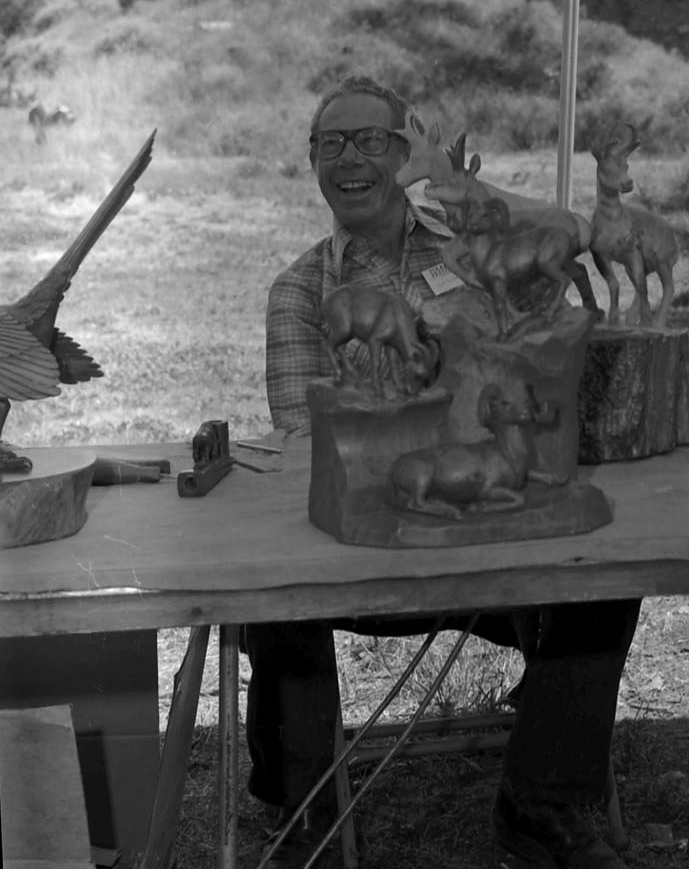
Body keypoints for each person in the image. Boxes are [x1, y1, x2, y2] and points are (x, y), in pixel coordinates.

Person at [244, 73, 641, 869]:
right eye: (331, 143)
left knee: (606, 574)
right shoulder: (298, 292)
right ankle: (308, 818)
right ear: (312, 162)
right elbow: (303, 441)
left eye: (372, 141)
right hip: (365, 556)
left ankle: (542, 803)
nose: (350, 159)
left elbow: (541, 318)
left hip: (487, 535)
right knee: (272, 598)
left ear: (407, 150)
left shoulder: (473, 246)